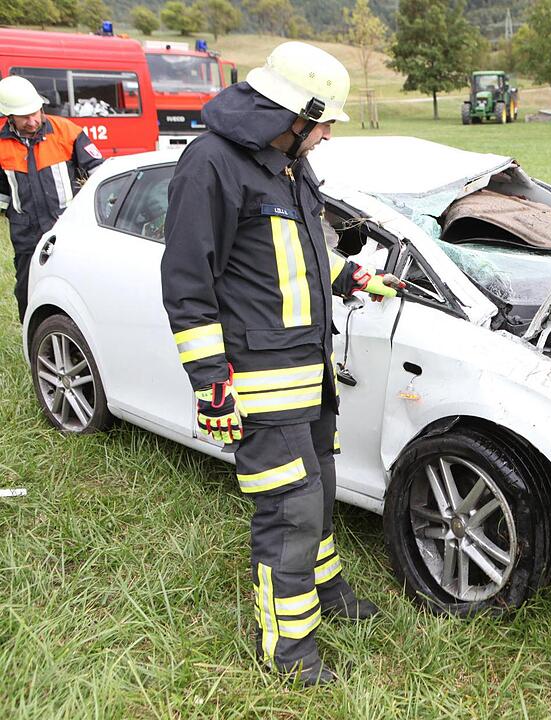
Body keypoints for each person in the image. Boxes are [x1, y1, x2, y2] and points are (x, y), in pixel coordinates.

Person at [160, 41, 402, 685]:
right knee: (291, 507)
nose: (327, 137)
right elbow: (186, 284)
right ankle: (290, 652)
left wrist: (352, 277)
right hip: (260, 382)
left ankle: (326, 589)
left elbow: (293, 256)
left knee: (318, 487)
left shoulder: (289, 165)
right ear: (293, 114)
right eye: (323, 124)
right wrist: (212, 385)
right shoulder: (211, 165)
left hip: (310, 375)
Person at [0, 75, 103, 321]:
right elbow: (3, 193)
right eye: (24, 117)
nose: (33, 121)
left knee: (77, 292)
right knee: (28, 293)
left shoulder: (67, 131)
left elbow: (98, 174)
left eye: (35, 113)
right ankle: (35, 341)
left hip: (68, 230)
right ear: (9, 116)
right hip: (26, 236)